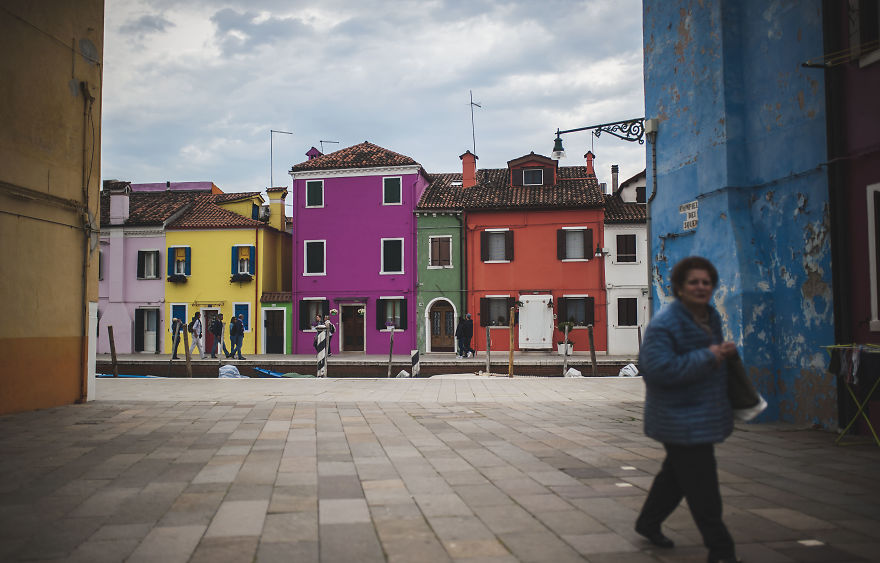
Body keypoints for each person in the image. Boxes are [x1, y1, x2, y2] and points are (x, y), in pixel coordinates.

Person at [635, 256, 739, 563]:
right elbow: (656, 369)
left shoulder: (709, 316)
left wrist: (721, 354)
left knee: (676, 476)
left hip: (703, 413)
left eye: (706, 282)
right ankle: (722, 551)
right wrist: (709, 356)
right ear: (680, 287)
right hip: (678, 417)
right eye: (694, 282)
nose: (701, 287)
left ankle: (648, 522)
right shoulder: (665, 324)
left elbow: (707, 358)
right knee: (703, 487)